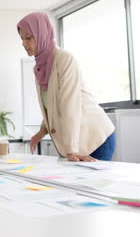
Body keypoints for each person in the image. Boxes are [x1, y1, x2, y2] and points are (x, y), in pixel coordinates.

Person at [17, 12, 115, 161]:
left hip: (94, 138)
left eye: (28, 38)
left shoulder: (64, 59)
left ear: (41, 34)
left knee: (87, 185)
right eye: (22, 39)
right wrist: (42, 131)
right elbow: (52, 105)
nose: (24, 43)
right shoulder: (39, 67)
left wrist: (71, 150)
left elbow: (70, 104)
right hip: (76, 143)